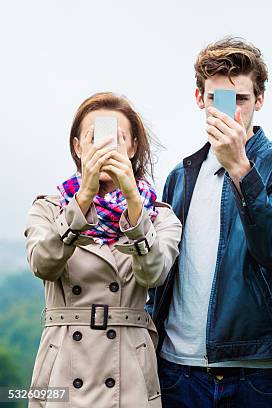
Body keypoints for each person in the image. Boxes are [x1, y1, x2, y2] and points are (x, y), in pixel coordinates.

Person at [146, 37, 272, 408]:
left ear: (259, 100)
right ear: (199, 99)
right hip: (178, 371)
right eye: (216, 99)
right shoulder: (180, 175)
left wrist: (241, 168)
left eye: (240, 99)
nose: (230, 111)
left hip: (254, 374)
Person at [25, 92, 182, 408]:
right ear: (77, 147)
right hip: (63, 368)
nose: (104, 147)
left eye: (117, 138)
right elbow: (43, 264)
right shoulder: (49, 208)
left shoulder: (158, 215)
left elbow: (154, 273)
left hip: (129, 370)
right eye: (93, 138)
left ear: (133, 147)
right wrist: (83, 200)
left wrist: (134, 203)